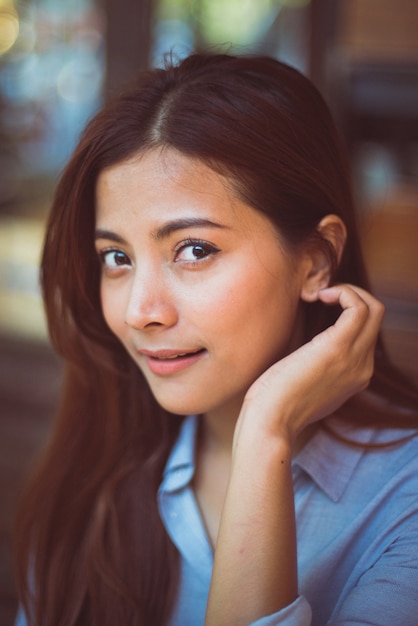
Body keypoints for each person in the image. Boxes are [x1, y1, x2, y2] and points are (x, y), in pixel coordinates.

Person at [14, 53, 418, 626]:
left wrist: (264, 435)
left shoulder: (405, 503)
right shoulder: (99, 459)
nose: (139, 312)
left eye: (195, 250)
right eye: (117, 258)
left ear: (315, 260)